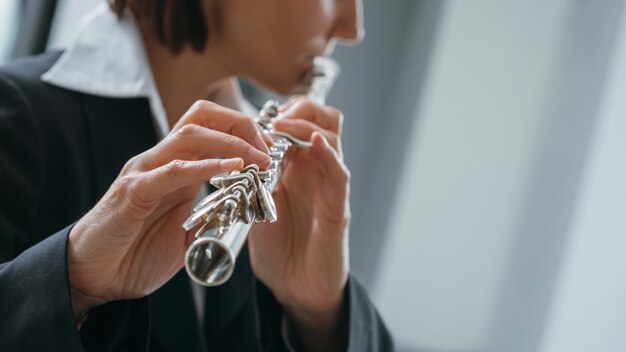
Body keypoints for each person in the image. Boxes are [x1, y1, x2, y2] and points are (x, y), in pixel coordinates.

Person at [0, 0, 392, 350]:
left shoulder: (277, 159)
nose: (351, 28)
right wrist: (73, 280)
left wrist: (320, 315)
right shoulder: (14, 113)